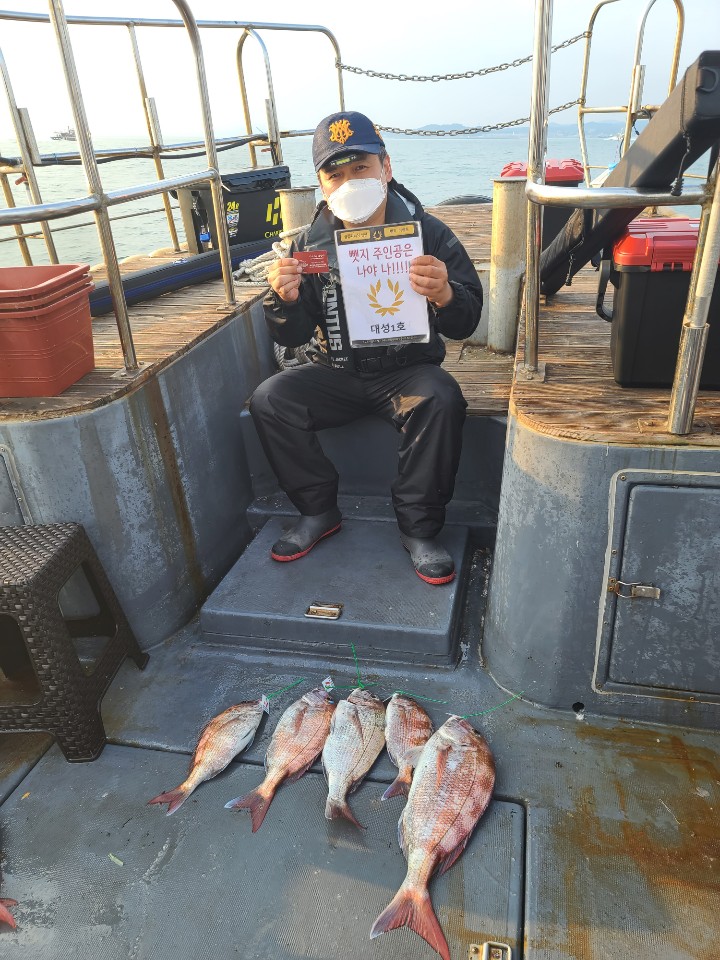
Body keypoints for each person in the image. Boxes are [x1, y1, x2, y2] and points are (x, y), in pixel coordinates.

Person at [250, 111, 482, 585]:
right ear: (321, 184)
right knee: (270, 399)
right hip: (334, 369)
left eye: (361, 168)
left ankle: (419, 529)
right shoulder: (311, 246)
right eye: (335, 174)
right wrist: (283, 300)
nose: (349, 182)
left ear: (386, 168)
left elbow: (467, 319)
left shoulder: (428, 233)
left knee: (441, 397)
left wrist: (445, 294)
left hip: (407, 370)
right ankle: (317, 511)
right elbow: (292, 336)